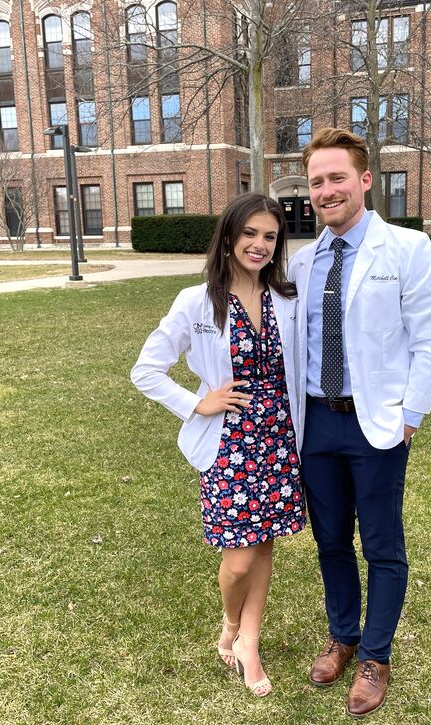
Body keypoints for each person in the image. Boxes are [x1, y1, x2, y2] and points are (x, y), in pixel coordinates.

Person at [288, 128, 431, 718]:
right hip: (316, 423)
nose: (326, 190)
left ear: (364, 180)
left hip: (376, 424)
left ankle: (375, 656)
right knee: (331, 540)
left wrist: (410, 416)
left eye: (337, 178)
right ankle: (343, 635)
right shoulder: (303, 261)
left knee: (382, 543)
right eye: (316, 182)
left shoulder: (408, 249)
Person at [131, 193, 306, 698]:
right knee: (238, 559)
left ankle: (249, 640)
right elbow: (145, 371)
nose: (259, 245)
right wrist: (197, 403)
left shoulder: (286, 300)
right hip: (230, 444)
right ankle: (231, 623)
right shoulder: (197, 301)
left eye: (270, 236)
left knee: (265, 543)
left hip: (278, 439)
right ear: (229, 237)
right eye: (250, 233)